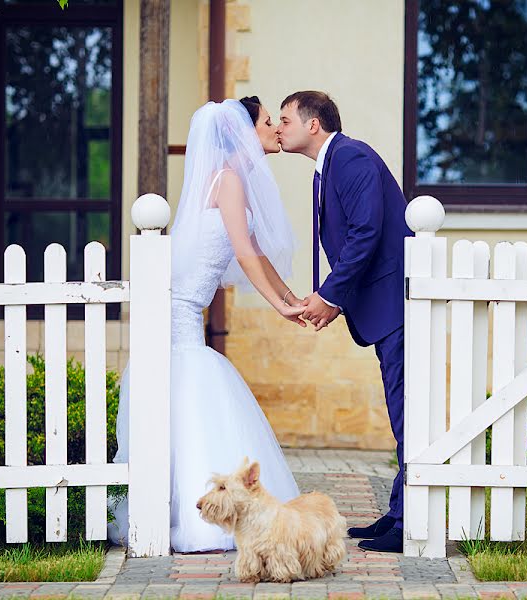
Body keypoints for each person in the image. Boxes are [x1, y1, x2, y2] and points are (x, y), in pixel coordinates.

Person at [109, 97, 303, 553]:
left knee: (182, 407)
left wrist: (293, 300)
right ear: (242, 132)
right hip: (180, 319)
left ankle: (176, 509)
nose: (275, 128)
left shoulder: (223, 181)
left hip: (181, 314)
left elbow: (256, 250)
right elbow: (243, 253)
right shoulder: (229, 180)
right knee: (195, 403)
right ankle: (200, 518)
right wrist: (280, 307)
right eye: (267, 122)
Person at [277, 91, 412, 553]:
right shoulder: (330, 165)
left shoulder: (350, 156)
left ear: (314, 125)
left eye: (286, 119)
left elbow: (365, 233)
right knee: (402, 408)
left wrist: (330, 297)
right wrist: (332, 299)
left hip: (395, 301)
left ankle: (408, 523)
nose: (279, 128)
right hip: (380, 303)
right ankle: (399, 511)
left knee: (406, 408)